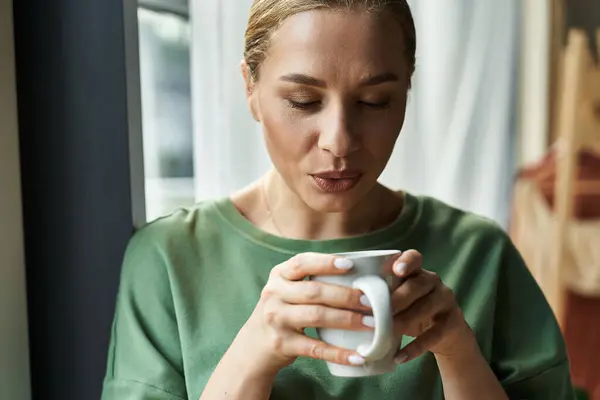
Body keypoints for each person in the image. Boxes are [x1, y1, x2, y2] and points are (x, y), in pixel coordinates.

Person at [101, 1, 576, 399]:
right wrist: (252, 358)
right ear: (250, 89)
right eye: (304, 101)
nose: (340, 141)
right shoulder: (167, 259)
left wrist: (459, 354)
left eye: (375, 102)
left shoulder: (480, 254)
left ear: (407, 90)